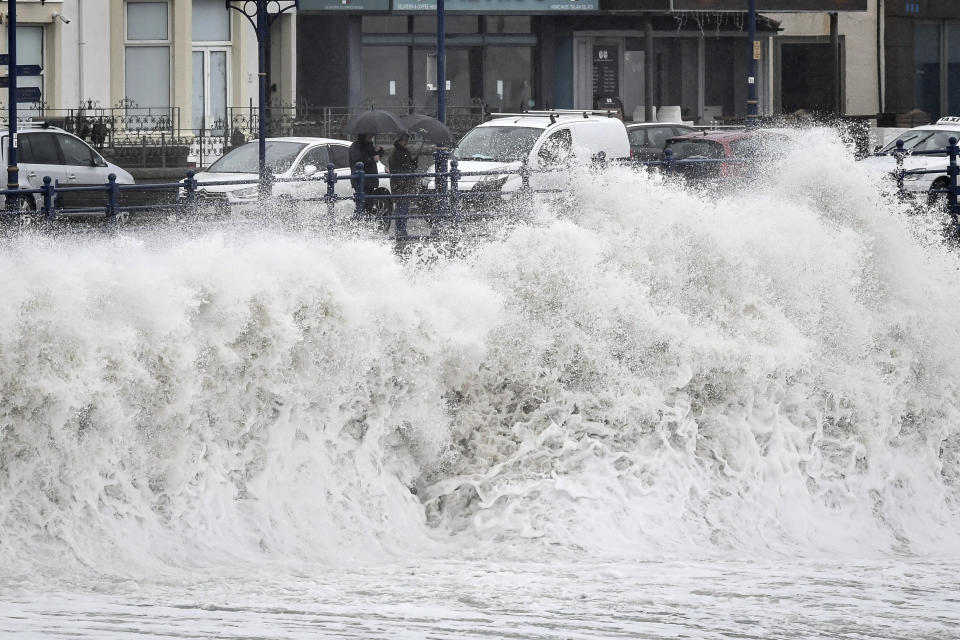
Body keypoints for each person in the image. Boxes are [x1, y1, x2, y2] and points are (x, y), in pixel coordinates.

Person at [348, 133, 388, 229]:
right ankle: (356, 226)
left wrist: (379, 151)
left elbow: (374, 156)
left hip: (370, 180)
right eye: (369, 136)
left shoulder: (368, 145)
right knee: (362, 205)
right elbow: (357, 159)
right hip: (361, 181)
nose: (371, 137)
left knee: (368, 205)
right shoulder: (356, 146)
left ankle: (364, 226)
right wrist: (371, 158)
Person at [388, 133, 418, 239]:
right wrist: (409, 165)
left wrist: (414, 162)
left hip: (405, 184)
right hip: (400, 185)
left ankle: (402, 230)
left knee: (404, 208)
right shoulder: (396, 152)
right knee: (401, 208)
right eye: (404, 140)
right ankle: (400, 231)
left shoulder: (405, 151)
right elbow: (397, 168)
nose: (406, 142)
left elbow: (411, 165)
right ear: (399, 140)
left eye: (407, 140)